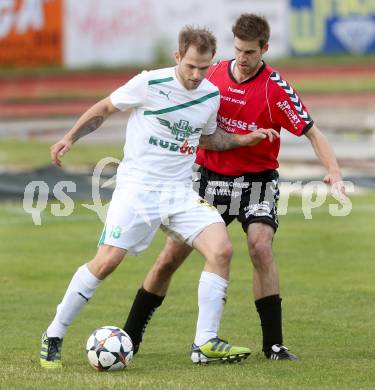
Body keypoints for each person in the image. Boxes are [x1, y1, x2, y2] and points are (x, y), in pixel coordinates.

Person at [40, 26, 279, 369]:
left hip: (179, 192)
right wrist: (69, 138)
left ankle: (204, 342)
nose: (197, 75)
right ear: (178, 57)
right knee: (107, 261)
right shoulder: (149, 83)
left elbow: (208, 138)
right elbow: (105, 108)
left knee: (222, 249)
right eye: (191, 66)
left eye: (203, 67)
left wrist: (242, 140)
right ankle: (54, 333)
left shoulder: (210, 95)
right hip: (138, 188)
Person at [122, 14, 346, 362]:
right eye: (238, 50)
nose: (242, 59)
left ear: (265, 49)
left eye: (251, 53)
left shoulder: (276, 89)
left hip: (257, 184)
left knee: (260, 247)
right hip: (209, 180)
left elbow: (313, 132)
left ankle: (274, 345)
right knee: (169, 257)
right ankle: (129, 337)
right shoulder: (210, 75)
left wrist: (333, 171)